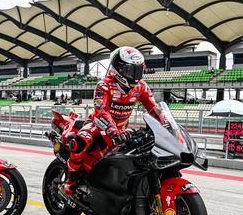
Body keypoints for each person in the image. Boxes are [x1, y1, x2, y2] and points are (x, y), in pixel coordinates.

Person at [63, 46, 166, 196]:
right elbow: (101, 111)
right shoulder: (104, 85)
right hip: (98, 125)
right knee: (80, 142)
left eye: (139, 70)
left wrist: (167, 124)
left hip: (123, 129)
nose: (136, 75)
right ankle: (71, 181)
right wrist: (112, 130)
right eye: (132, 70)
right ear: (119, 69)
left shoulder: (141, 86)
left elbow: (154, 109)